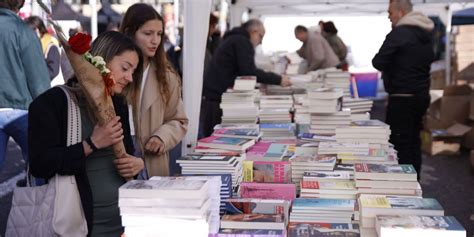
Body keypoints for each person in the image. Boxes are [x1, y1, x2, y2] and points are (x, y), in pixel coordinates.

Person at [29, 31, 144, 236]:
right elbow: (41, 164)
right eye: (125, 68)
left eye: (133, 71)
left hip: (124, 221)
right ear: (102, 59)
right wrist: (91, 144)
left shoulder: (117, 103)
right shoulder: (52, 103)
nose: (129, 78)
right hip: (78, 225)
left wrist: (136, 164)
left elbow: (128, 154)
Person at [120, 3, 188, 177]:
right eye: (148, 33)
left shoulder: (166, 75)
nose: (155, 41)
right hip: (116, 153)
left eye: (159, 34)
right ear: (129, 32)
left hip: (150, 157)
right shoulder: (112, 69)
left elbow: (179, 120)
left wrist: (161, 137)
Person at [372, 0, 434, 180]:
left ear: (400, 12)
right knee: (414, 141)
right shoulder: (425, 33)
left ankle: (404, 185)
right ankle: (416, 182)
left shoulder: (399, 33)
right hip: (421, 95)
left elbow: (378, 62)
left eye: (390, 13)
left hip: (402, 97)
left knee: (400, 144)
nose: (389, 17)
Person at [201, 19, 291, 137]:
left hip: (215, 95)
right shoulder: (241, 41)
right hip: (218, 98)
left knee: (214, 135)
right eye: (261, 36)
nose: (260, 42)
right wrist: (278, 79)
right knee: (215, 136)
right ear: (254, 32)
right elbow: (248, 70)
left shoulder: (234, 39)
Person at [0, 0, 50, 173]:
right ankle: (39, 197)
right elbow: (39, 81)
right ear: (19, 3)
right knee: (41, 165)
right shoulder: (24, 31)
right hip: (21, 108)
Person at [25, 16, 61, 80]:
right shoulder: (31, 43)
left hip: (43, 86)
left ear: (37, 30)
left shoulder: (51, 46)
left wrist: (36, 77)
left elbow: (54, 71)